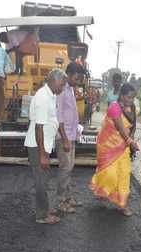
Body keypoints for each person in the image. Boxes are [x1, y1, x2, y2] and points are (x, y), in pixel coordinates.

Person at [24, 69, 68, 224]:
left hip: (43, 146)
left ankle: (44, 209)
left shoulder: (50, 95)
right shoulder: (43, 97)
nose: (63, 88)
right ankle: (42, 216)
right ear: (54, 81)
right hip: (38, 147)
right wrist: (42, 154)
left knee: (44, 178)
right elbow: (38, 127)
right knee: (41, 181)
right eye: (62, 85)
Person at [89, 83, 140, 216]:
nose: (131, 100)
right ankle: (102, 193)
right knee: (110, 175)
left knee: (124, 174)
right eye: (128, 97)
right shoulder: (114, 107)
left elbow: (132, 125)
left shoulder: (133, 109)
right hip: (108, 146)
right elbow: (120, 127)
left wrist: (132, 138)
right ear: (122, 96)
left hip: (124, 147)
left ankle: (121, 205)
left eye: (133, 98)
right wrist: (130, 141)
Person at [55, 62, 85, 213]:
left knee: (69, 168)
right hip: (63, 137)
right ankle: (60, 201)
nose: (78, 82)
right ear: (69, 74)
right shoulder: (61, 90)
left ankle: (68, 197)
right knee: (65, 168)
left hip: (71, 135)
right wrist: (65, 139)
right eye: (77, 78)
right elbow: (59, 116)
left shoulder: (71, 90)